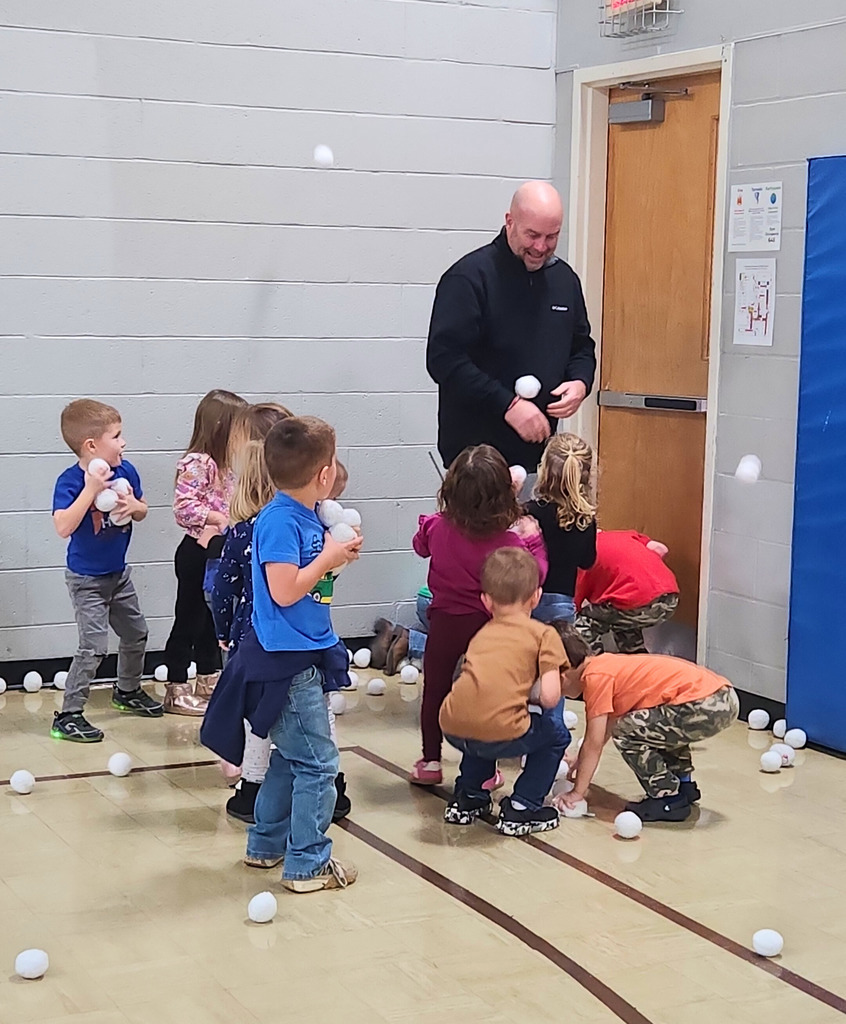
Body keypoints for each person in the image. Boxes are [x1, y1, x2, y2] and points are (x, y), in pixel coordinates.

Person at [233, 416, 362, 891]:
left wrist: (335, 563)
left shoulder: (309, 518)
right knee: (319, 763)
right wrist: (327, 558)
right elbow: (284, 591)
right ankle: (307, 861)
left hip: (302, 652)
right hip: (284, 663)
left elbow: (312, 591)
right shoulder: (279, 521)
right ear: (324, 473)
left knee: (291, 756)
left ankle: (266, 844)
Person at [426, 181, 596, 474]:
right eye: (532, 235)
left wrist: (581, 382)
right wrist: (508, 405)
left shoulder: (564, 280)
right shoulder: (468, 278)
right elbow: (444, 361)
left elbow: (581, 347)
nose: (541, 247)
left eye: (551, 236)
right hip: (475, 463)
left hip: (539, 458)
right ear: (510, 222)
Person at [410, 444, 548, 785]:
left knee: (436, 691)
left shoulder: (437, 527)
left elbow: (419, 546)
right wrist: (535, 542)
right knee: (486, 694)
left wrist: (429, 523)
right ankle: (484, 771)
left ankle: (430, 761)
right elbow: (536, 576)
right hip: (489, 628)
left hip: (444, 621)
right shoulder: (510, 543)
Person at [51, 400, 162, 741]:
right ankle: (68, 714)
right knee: (94, 647)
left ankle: (126, 691)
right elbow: (63, 526)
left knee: (135, 633)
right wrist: (91, 490)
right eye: (117, 436)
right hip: (87, 580)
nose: (123, 442)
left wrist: (135, 506)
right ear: (92, 446)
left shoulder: (127, 472)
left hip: (119, 575)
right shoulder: (70, 481)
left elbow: (143, 510)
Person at [440, 548, 570, 835]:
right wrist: (532, 693)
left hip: (452, 727)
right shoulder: (543, 634)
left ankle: (469, 797)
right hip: (496, 731)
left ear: (486, 601)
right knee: (556, 736)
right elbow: (550, 697)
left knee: (483, 717)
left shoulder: (482, 634)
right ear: (536, 596)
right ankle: (524, 807)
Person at [554, 626, 739, 822]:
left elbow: (594, 742)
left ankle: (668, 798)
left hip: (705, 702)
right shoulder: (604, 665)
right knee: (656, 727)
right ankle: (683, 784)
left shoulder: (594, 677)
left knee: (626, 731)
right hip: (721, 695)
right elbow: (605, 727)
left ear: (562, 673)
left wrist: (577, 793)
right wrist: (579, 762)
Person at [162, 389, 247, 715]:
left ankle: (208, 676)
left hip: (218, 551)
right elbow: (184, 507)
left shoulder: (225, 467)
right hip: (197, 552)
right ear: (222, 427)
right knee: (190, 617)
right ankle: (176, 684)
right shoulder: (199, 463)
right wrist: (218, 518)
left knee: (213, 619)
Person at [527, 433, 597, 625]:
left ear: (544, 470)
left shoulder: (529, 512)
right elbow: (587, 562)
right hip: (561, 603)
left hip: (526, 598)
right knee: (558, 654)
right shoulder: (585, 519)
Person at [575, 530, 679, 655]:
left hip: (637, 601)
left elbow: (572, 605)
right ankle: (637, 661)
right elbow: (661, 549)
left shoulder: (583, 554)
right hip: (671, 597)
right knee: (622, 620)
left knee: (583, 622)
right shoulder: (625, 535)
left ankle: (596, 666)